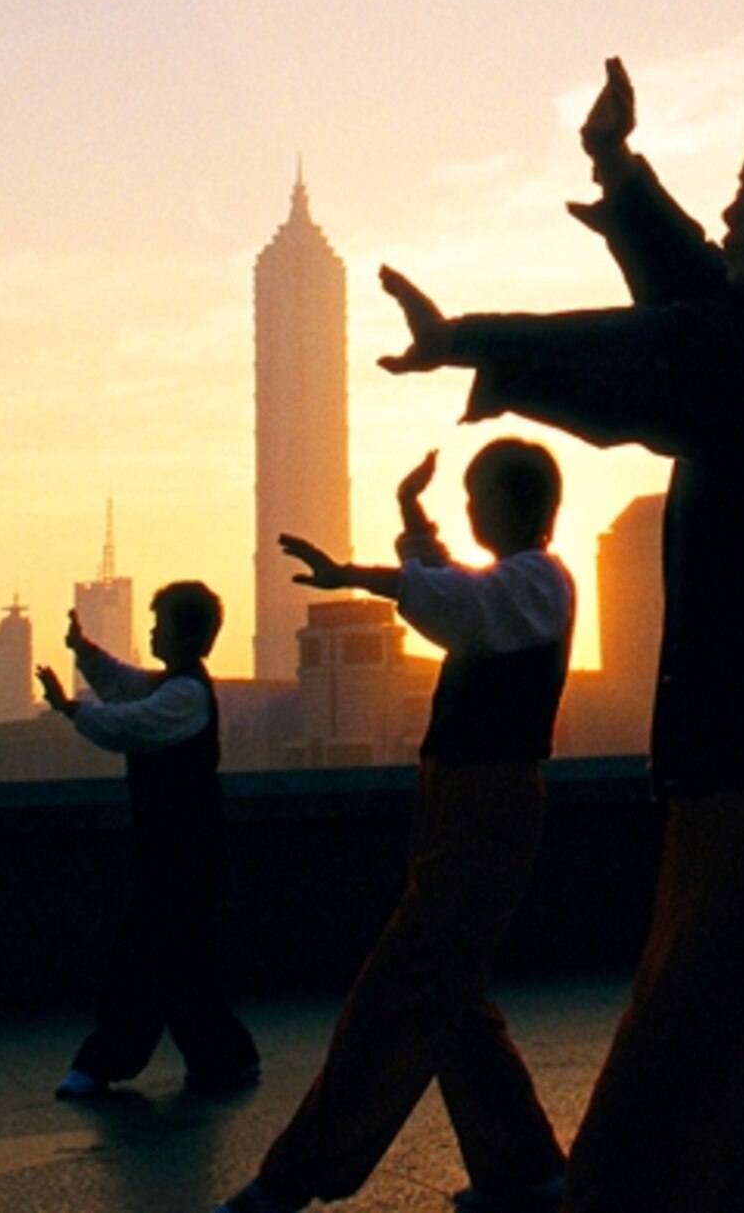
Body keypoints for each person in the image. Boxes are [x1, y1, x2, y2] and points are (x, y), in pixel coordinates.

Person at [374, 56, 744, 1213]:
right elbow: (704, 307)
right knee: (732, 1120)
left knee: (719, 1128)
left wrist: (472, 339)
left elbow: (682, 348)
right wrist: (618, 172)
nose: (731, 207)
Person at [212, 440, 576, 1213]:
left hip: (488, 801)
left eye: (479, 497)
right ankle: (526, 1170)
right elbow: (453, 591)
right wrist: (413, 518)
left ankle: (290, 1180)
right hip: (459, 797)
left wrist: (356, 577)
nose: (471, 509)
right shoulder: (520, 584)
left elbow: (456, 602)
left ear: (516, 503)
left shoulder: (540, 582)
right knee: (450, 993)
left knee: (398, 990)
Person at [40, 580, 261, 1101]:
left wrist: (72, 710)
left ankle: (103, 1063)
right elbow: (127, 686)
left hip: (183, 849)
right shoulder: (177, 686)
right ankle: (226, 1060)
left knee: (144, 954)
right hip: (179, 847)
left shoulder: (183, 696)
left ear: (184, 636)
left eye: (160, 624)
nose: (152, 632)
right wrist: (84, 652)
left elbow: (127, 723)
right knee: (184, 959)